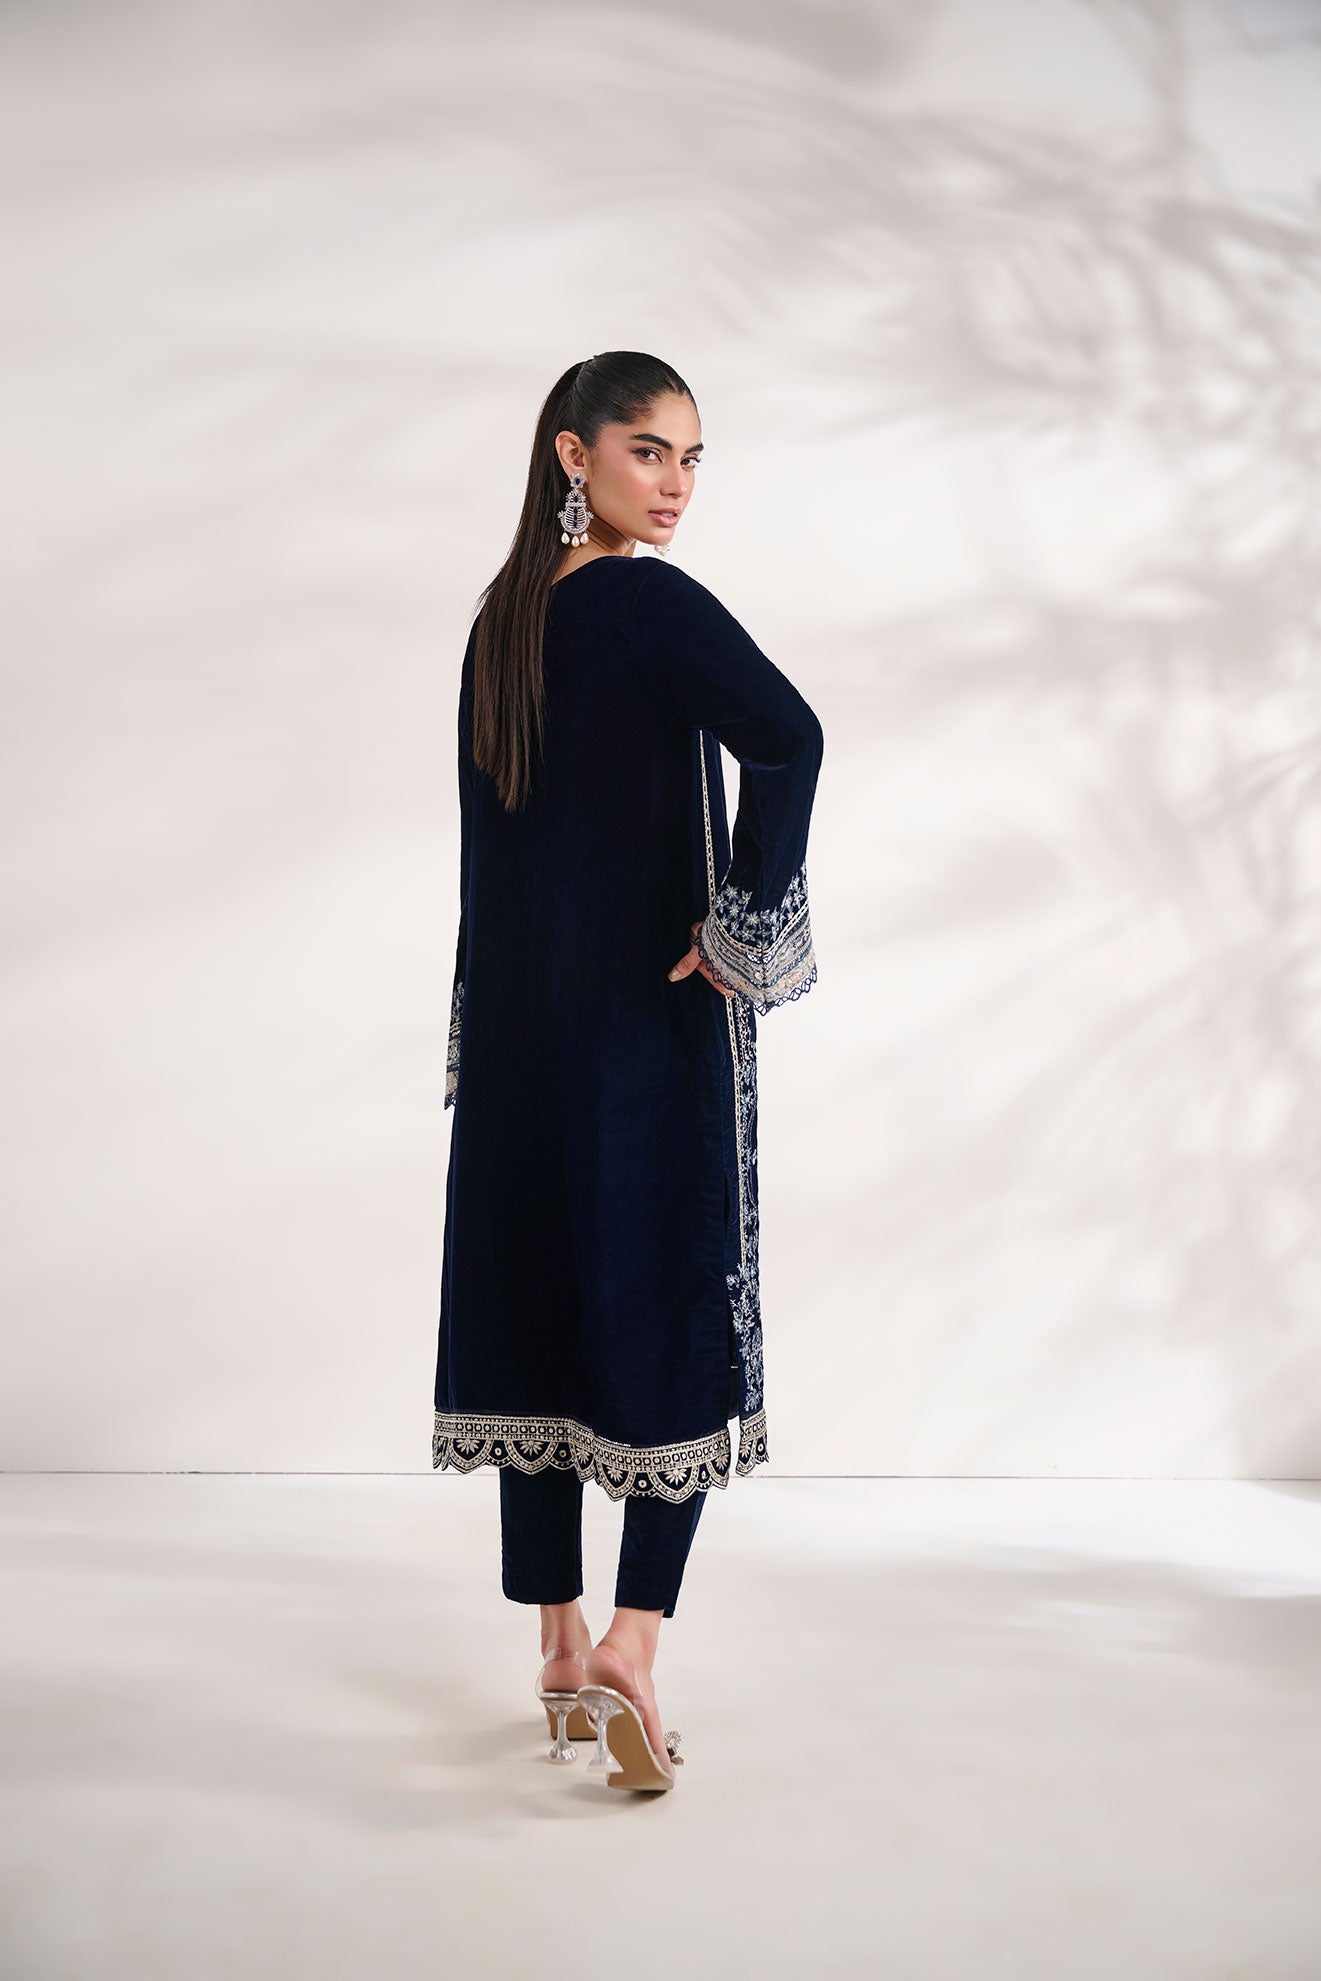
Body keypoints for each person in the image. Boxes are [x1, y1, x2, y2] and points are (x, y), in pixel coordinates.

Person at [432, 350, 824, 1790]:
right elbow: (791, 738)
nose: (675, 486)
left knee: (538, 1300)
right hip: (640, 1036)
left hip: (522, 1042)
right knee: (669, 1298)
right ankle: (631, 1646)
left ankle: (555, 1646)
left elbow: (489, 857)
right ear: (571, 454)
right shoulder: (646, 605)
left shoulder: (502, 622)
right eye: (649, 451)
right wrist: (739, 926)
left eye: (693, 458)